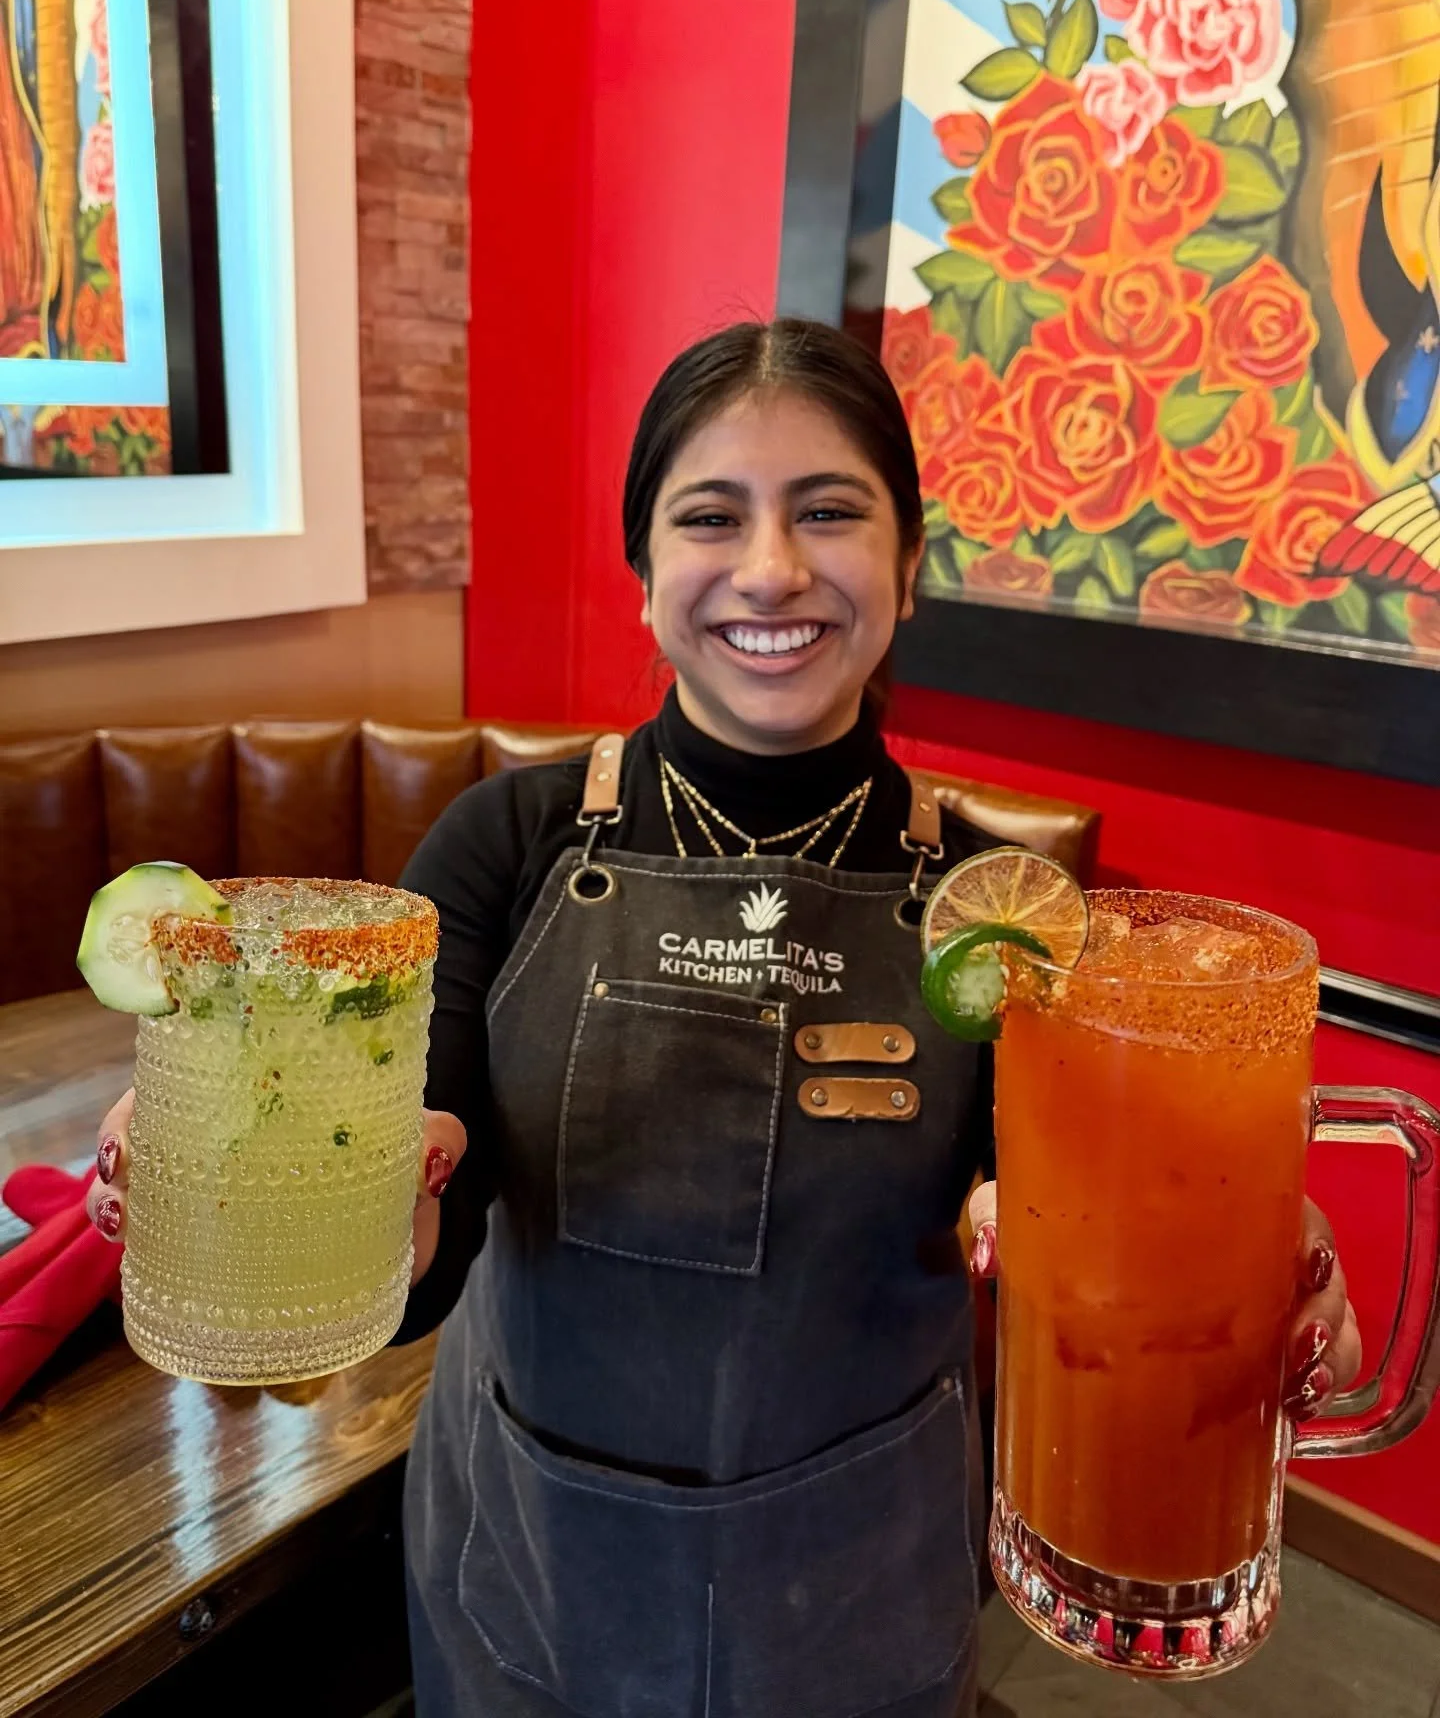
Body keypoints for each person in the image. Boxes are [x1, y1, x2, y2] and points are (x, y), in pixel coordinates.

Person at [87, 319, 1363, 1718]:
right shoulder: (504, 843)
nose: (769, 569)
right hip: (537, 1558)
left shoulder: (1004, 914)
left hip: (861, 1571)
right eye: (710, 516)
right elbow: (423, 1212)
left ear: (909, 565)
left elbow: (1080, 1220)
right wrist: (291, 1188)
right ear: (644, 575)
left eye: (829, 512)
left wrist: (1223, 1255)